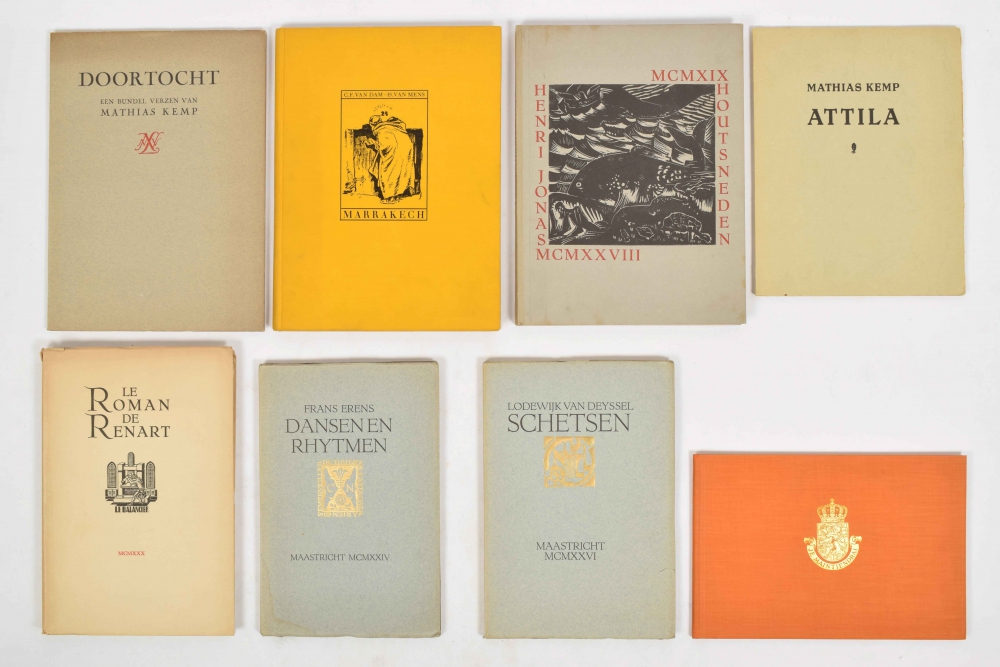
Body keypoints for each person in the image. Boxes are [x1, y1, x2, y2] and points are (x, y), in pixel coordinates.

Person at [365, 112, 416, 202]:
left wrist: (373, 143)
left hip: (393, 155)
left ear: (373, 124)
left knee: (388, 174)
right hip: (405, 152)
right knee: (401, 174)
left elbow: (384, 145)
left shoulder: (381, 130)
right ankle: (398, 195)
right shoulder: (394, 127)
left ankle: (389, 197)